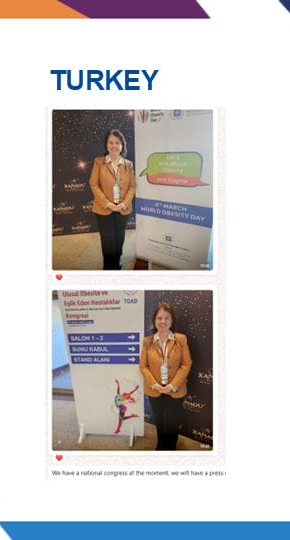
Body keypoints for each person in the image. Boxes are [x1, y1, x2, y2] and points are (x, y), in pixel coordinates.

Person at [139, 303, 193, 450]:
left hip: (175, 389)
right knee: (159, 421)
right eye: (159, 318)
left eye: (167, 318)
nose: (163, 321)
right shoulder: (147, 341)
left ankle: (170, 448)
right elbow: (143, 366)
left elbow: (186, 364)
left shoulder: (180, 339)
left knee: (171, 422)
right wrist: (154, 385)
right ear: (154, 320)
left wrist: (173, 385)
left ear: (172, 320)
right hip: (154, 388)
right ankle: (160, 445)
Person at [88, 129, 136, 270]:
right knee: (108, 238)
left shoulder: (128, 164)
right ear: (106, 145)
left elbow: (132, 187)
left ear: (122, 145)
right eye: (111, 142)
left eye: (117, 142)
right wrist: (107, 203)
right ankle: (109, 265)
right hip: (103, 208)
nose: (114, 146)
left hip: (123, 208)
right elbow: (93, 184)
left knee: (120, 237)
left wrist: (124, 203)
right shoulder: (99, 162)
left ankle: (117, 258)